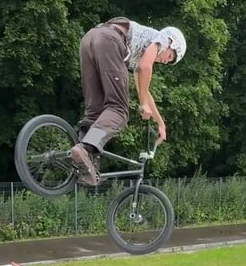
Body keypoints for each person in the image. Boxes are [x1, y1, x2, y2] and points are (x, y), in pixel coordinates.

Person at [70, 16, 187, 185]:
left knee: (95, 112)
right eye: (169, 57)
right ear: (171, 44)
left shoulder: (140, 54)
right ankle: (87, 146)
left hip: (90, 39)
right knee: (119, 110)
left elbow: (144, 91)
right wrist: (143, 104)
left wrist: (160, 122)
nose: (164, 61)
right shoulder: (163, 38)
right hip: (109, 41)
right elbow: (145, 67)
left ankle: (82, 154)